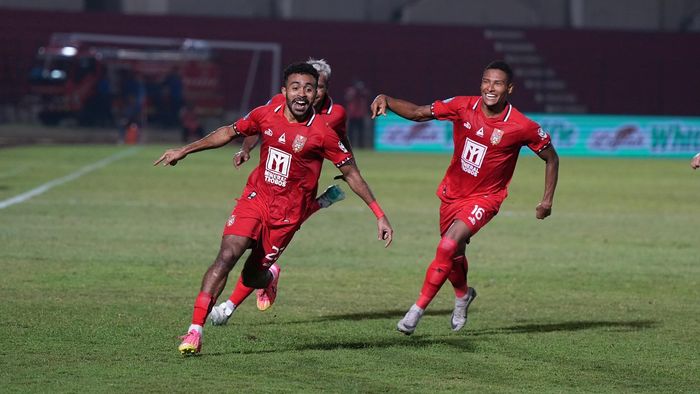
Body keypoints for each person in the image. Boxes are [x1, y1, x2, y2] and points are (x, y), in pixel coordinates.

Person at [154, 62, 394, 355]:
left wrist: (379, 214)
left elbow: (353, 174)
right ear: (284, 91)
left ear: (316, 91)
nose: (302, 94)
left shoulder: (323, 132)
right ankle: (195, 330)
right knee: (226, 256)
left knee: (251, 275)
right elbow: (228, 132)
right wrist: (184, 150)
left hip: (287, 216)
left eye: (309, 88)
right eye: (296, 88)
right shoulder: (266, 113)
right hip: (256, 198)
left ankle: (268, 277)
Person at [371, 60, 559, 335]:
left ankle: (416, 311)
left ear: (509, 88)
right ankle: (463, 296)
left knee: (447, 245)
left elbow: (551, 158)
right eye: (486, 81)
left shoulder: (521, 126)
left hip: (486, 198)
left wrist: (547, 200)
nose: (490, 88)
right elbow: (419, 113)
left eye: (497, 83)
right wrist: (385, 98)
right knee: (455, 254)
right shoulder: (462, 106)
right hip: (452, 194)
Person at [209, 58, 350, 320]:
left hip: (299, 191)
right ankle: (321, 204)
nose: (312, 92)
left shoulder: (335, 114)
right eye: (306, 86)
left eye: (318, 87)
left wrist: (348, 168)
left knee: (267, 250)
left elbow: (343, 140)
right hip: (271, 187)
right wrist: (246, 149)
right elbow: (258, 124)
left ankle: (229, 306)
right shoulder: (280, 102)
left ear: (325, 88)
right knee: (246, 252)